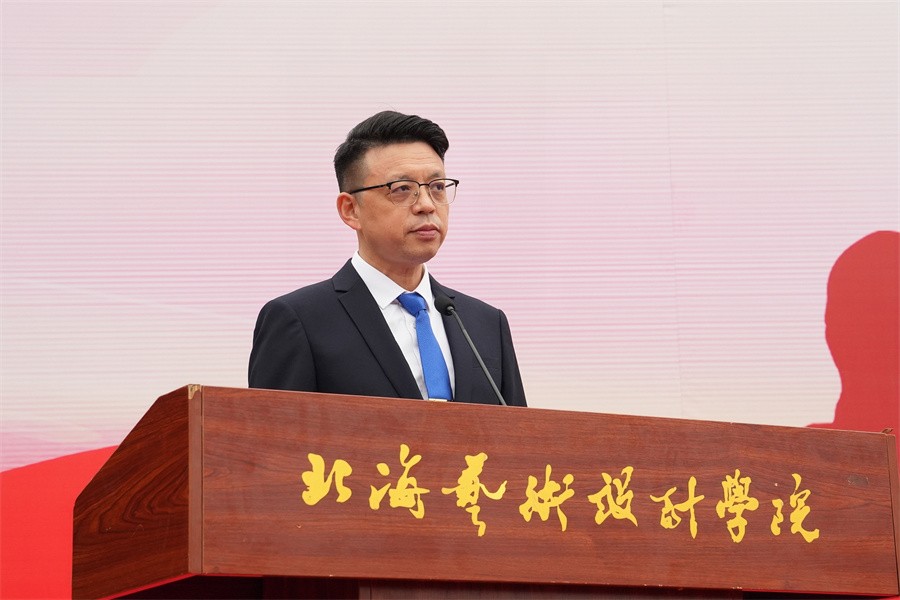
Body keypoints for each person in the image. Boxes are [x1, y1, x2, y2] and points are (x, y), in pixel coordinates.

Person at [249, 111, 527, 406]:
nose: (426, 205)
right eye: (402, 189)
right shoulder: (300, 321)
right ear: (350, 210)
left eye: (437, 187)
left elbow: (518, 432)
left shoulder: (485, 324)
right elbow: (273, 433)